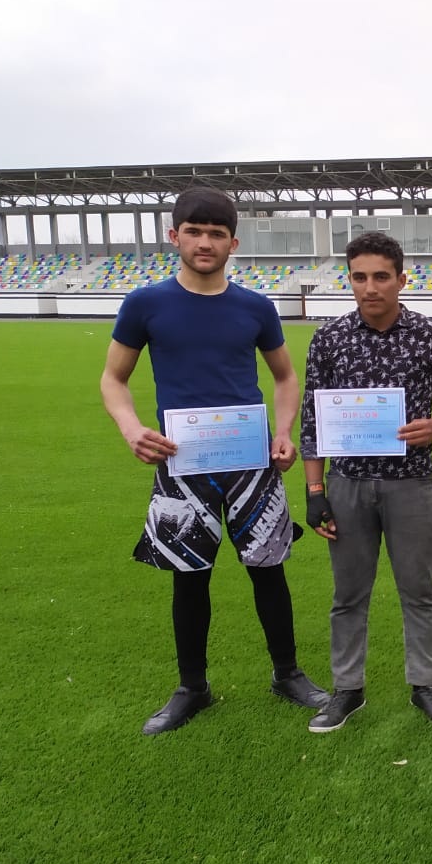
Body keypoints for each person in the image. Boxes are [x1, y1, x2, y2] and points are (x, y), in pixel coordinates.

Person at [99, 186, 328, 736]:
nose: (205, 243)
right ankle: (192, 688)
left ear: (233, 243)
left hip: (251, 461)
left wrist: (282, 433)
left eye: (217, 234)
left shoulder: (255, 307)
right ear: (173, 236)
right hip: (183, 461)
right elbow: (113, 378)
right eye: (194, 232)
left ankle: (287, 674)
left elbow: (285, 377)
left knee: (268, 569)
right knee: (189, 576)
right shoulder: (146, 303)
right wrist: (132, 429)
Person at [299, 231, 432, 733]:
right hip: (347, 485)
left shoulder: (431, 336)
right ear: (349, 279)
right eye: (359, 277)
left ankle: (425, 685)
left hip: (410, 485)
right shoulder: (329, 339)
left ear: (401, 279)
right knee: (348, 594)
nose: (370, 287)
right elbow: (312, 421)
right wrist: (315, 493)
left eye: (381, 276)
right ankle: (347, 689)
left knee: (418, 590)